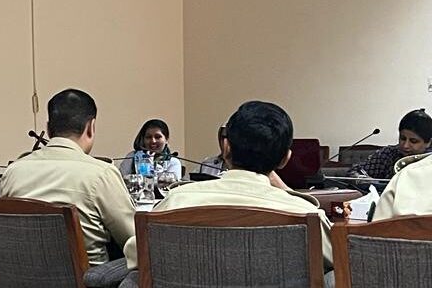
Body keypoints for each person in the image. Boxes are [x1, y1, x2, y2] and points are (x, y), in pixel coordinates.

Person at [123, 101, 334, 271]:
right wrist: (290, 194)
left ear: (226, 148)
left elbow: (135, 254)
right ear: (285, 159)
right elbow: (339, 259)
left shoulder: (178, 200)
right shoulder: (306, 215)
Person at [1, 89, 136, 265]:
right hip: (88, 281)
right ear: (91, 127)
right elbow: (134, 239)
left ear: (49, 129)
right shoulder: (101, 173)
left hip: (16, 279)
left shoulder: (13, 172)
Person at [348, 109, 432, 179]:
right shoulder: (389, 153)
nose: (405, 145)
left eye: (413, 141)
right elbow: (355, 171)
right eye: (402, 138)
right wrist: (360, 178)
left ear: (428, 143)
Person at [371, 152, 432, 220]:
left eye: (414, 141)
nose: (406, 145)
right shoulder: (407, 173)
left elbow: (380, 226)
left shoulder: (407, 173)